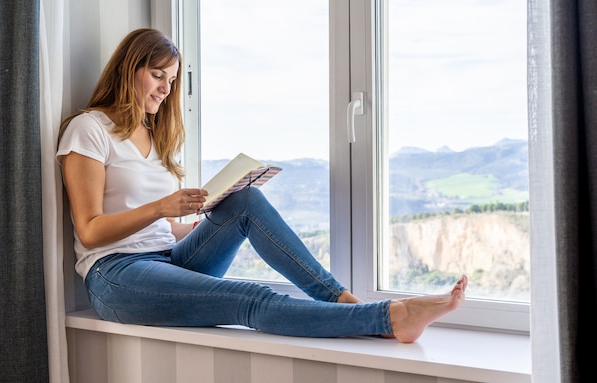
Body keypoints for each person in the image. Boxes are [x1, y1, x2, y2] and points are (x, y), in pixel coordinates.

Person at [57, 28, 467, 343]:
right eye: (158, 75)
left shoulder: (154, 135)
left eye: (173, 80)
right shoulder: (89, 129)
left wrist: (206, 218)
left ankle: (340, 299)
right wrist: (163, 207)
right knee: (249, 297)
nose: (166, 89)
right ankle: (388, 319)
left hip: (167, 260)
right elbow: (91, 230)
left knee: (246, 199)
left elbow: (164, 230)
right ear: (129, 69)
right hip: (116, 276)